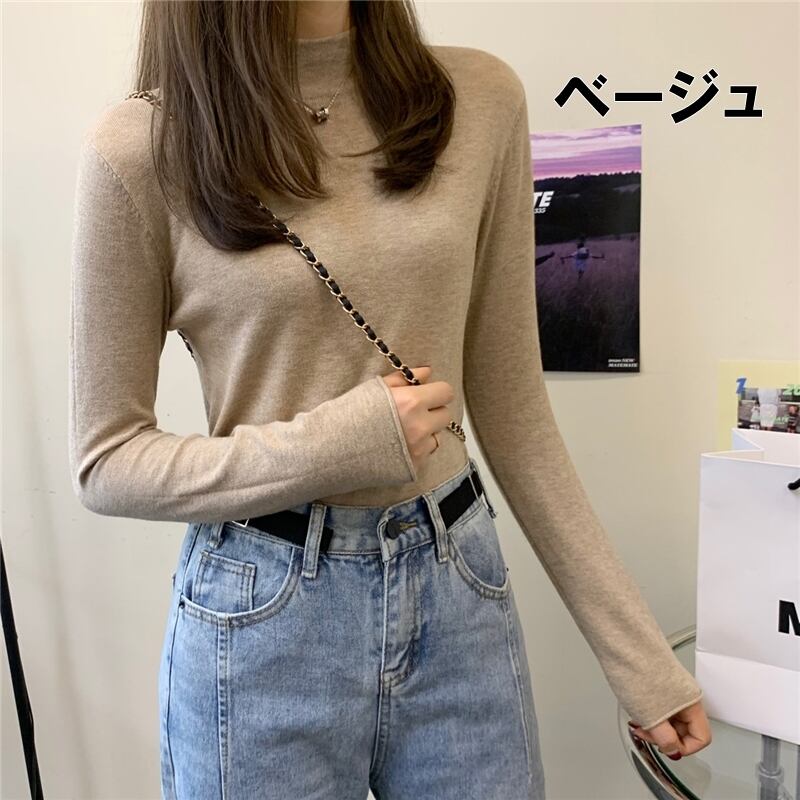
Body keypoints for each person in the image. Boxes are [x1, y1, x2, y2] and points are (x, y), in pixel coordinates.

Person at [68, 2, 711, 797]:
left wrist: (639, 658)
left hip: (457, 588)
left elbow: (515, 413)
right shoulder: (142, 148)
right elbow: (108, 462)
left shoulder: (479, 101)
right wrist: (342, 444)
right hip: (262, 618)